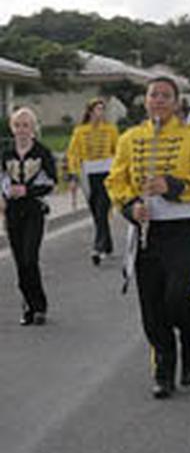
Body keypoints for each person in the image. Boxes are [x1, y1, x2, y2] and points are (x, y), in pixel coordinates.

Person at [106, 77, 190, 399]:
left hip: (182, 228)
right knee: (152, 305)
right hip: (146, 231)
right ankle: (164, 369)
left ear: (176, 102)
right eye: (154, 95)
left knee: (178, 295)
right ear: (146, 100)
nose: (159, 100)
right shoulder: (130, 138)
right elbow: (116, 181)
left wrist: (172, 185)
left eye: (166, 96)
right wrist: (130, 206)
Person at [1, 108, 57, 326]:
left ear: (33, 128)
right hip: (13, 212)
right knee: (19, 263)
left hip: (34, 210)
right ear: (12, 128)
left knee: (30, 258)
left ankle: (39, 305)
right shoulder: (6, 153)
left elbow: (51, 181)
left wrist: (28, 191)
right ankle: (28, 304)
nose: (22, 130)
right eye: (18, 125)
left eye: (26, 125)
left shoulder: (42, 152)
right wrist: (4, 196)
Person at [65, 98, 119, 265]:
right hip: (88, 175)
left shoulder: (111, 130)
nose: (100, 113)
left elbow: (118, 152)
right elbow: (73, 154)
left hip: (107, 174)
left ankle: (98, 248)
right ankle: (107, 244)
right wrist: (73, 175)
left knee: (102, 209)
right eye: (97, 109)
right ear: (90, 111)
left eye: (102, 109)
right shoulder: (80, 131)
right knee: (97, 212)